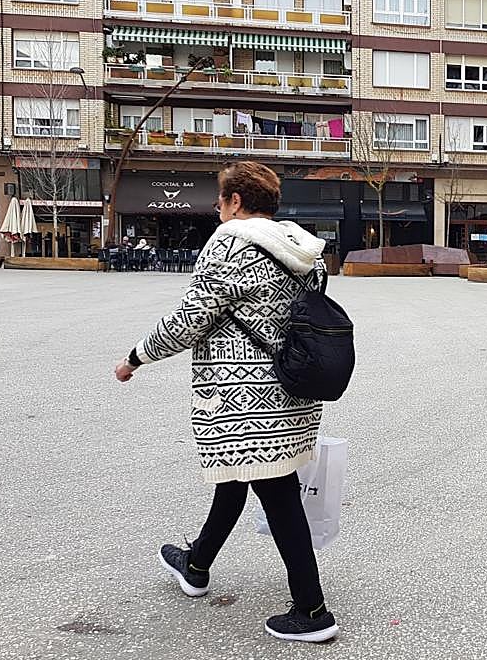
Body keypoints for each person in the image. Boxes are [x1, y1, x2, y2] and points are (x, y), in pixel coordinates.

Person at [113, 161, 337, 643]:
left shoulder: (231, 243)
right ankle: (196, 565)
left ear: (236, 201)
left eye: (220, 200)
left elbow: (189, 320)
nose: (217, 208)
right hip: (293, 388)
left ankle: (312, 611)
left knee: (277, 494)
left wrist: (135, 357)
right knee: (238, 477)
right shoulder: (304, 250)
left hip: (243, 396)